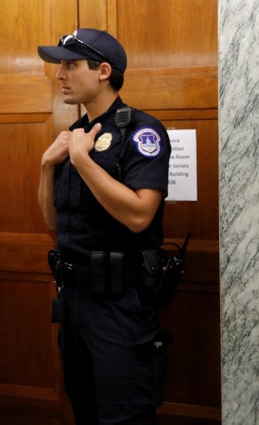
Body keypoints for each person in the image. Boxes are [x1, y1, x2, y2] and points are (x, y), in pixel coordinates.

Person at [37, 28, 171, 424]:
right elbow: (51, 222)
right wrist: (47, 166)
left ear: (103, 71)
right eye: (59, 65)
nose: (60, 74)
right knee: (86, 410)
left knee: (123, 415)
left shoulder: (142, 132)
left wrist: (82, 162)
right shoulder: (73, 137)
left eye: (70, 65)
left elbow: (139, 215)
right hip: (75, 300)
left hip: (120, 302)